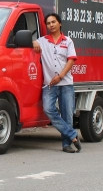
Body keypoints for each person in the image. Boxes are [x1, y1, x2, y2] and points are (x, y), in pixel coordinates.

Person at [33, 13, 82, 153]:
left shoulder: (68, 41)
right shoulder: (42, 41)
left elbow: (71, 60)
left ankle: (66, 144)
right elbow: (30, 43)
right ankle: (73, 135)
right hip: (49, 85)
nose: (51, 25)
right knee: (48, 109)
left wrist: (60, 76)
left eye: (53, 22)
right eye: (48, 23)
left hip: (65, 83)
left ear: (59, 23)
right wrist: (34, 42)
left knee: (67, 115)